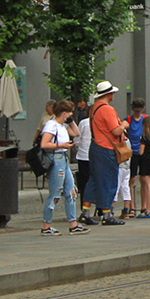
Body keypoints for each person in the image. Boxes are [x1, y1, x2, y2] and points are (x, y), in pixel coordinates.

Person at [39, 100, 87, 236]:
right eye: (70, 112)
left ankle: (73, 224)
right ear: (64, 113)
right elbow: (44, 144)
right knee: (55, 192)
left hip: (63, 158)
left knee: (71, 191)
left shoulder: (62, 125)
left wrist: (71, 121)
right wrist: (61, 145)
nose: (71, 114)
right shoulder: (51, 125)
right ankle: (46, 225)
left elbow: (76, 133)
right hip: (56, 158)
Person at [84, 81, 128, 226]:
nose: (114, 95)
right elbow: (115, 131)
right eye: (112, 93)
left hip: (95, 146)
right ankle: (106, 214)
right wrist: (124, 125)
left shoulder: (94, 108)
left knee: (94, 180)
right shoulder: (107, 109)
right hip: (106, 148)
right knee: (108, 181)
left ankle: (85, 212)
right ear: (108, 94)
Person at [123, 98, 147, 218]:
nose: (137, 112)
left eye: (139, 110)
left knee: (144, 180)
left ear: (143, 109)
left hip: (143, 152)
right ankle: (132, 207)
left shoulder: (145, 120)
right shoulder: (128, 120)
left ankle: (144, 207)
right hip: (132, 153)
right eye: (135, 110)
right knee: (131, 180)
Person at [74, 105, 98, 225]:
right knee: (95, 182)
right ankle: (99, 208)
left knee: (84, 184)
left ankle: (84, 208)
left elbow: (77, 139)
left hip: (83, 156)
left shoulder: (83, 123)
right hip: (95, 157)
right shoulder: (98, 122)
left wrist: (80, 148)